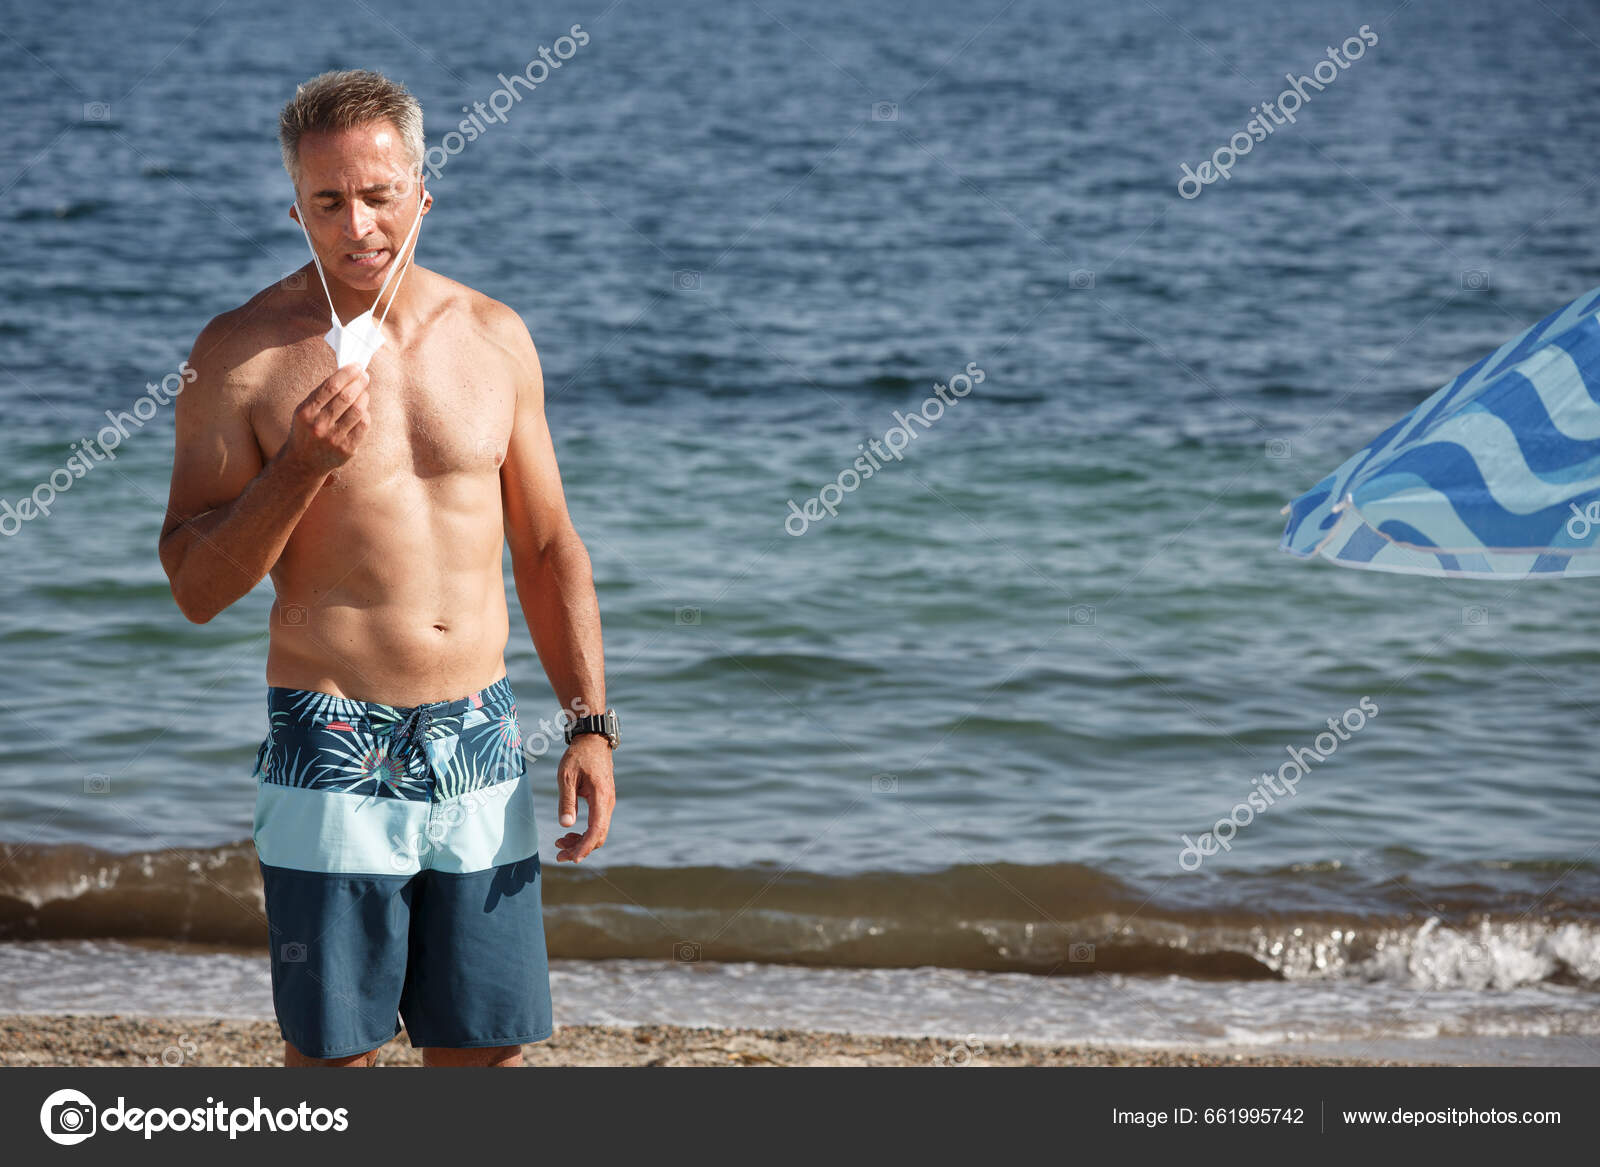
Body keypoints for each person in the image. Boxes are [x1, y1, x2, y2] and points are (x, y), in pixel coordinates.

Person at [157, 69, 617, 1067]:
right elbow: (195, 586)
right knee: (337, 1062)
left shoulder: (495, 339)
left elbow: (547, 548)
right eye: (328, 202)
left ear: (422, 191)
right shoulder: (238, 355)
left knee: (486, 1049)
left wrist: (588, 721)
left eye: (379, 194)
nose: (358, 223)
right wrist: (300, 468)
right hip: (329, 733)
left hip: (480, 735)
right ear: (296, 208)